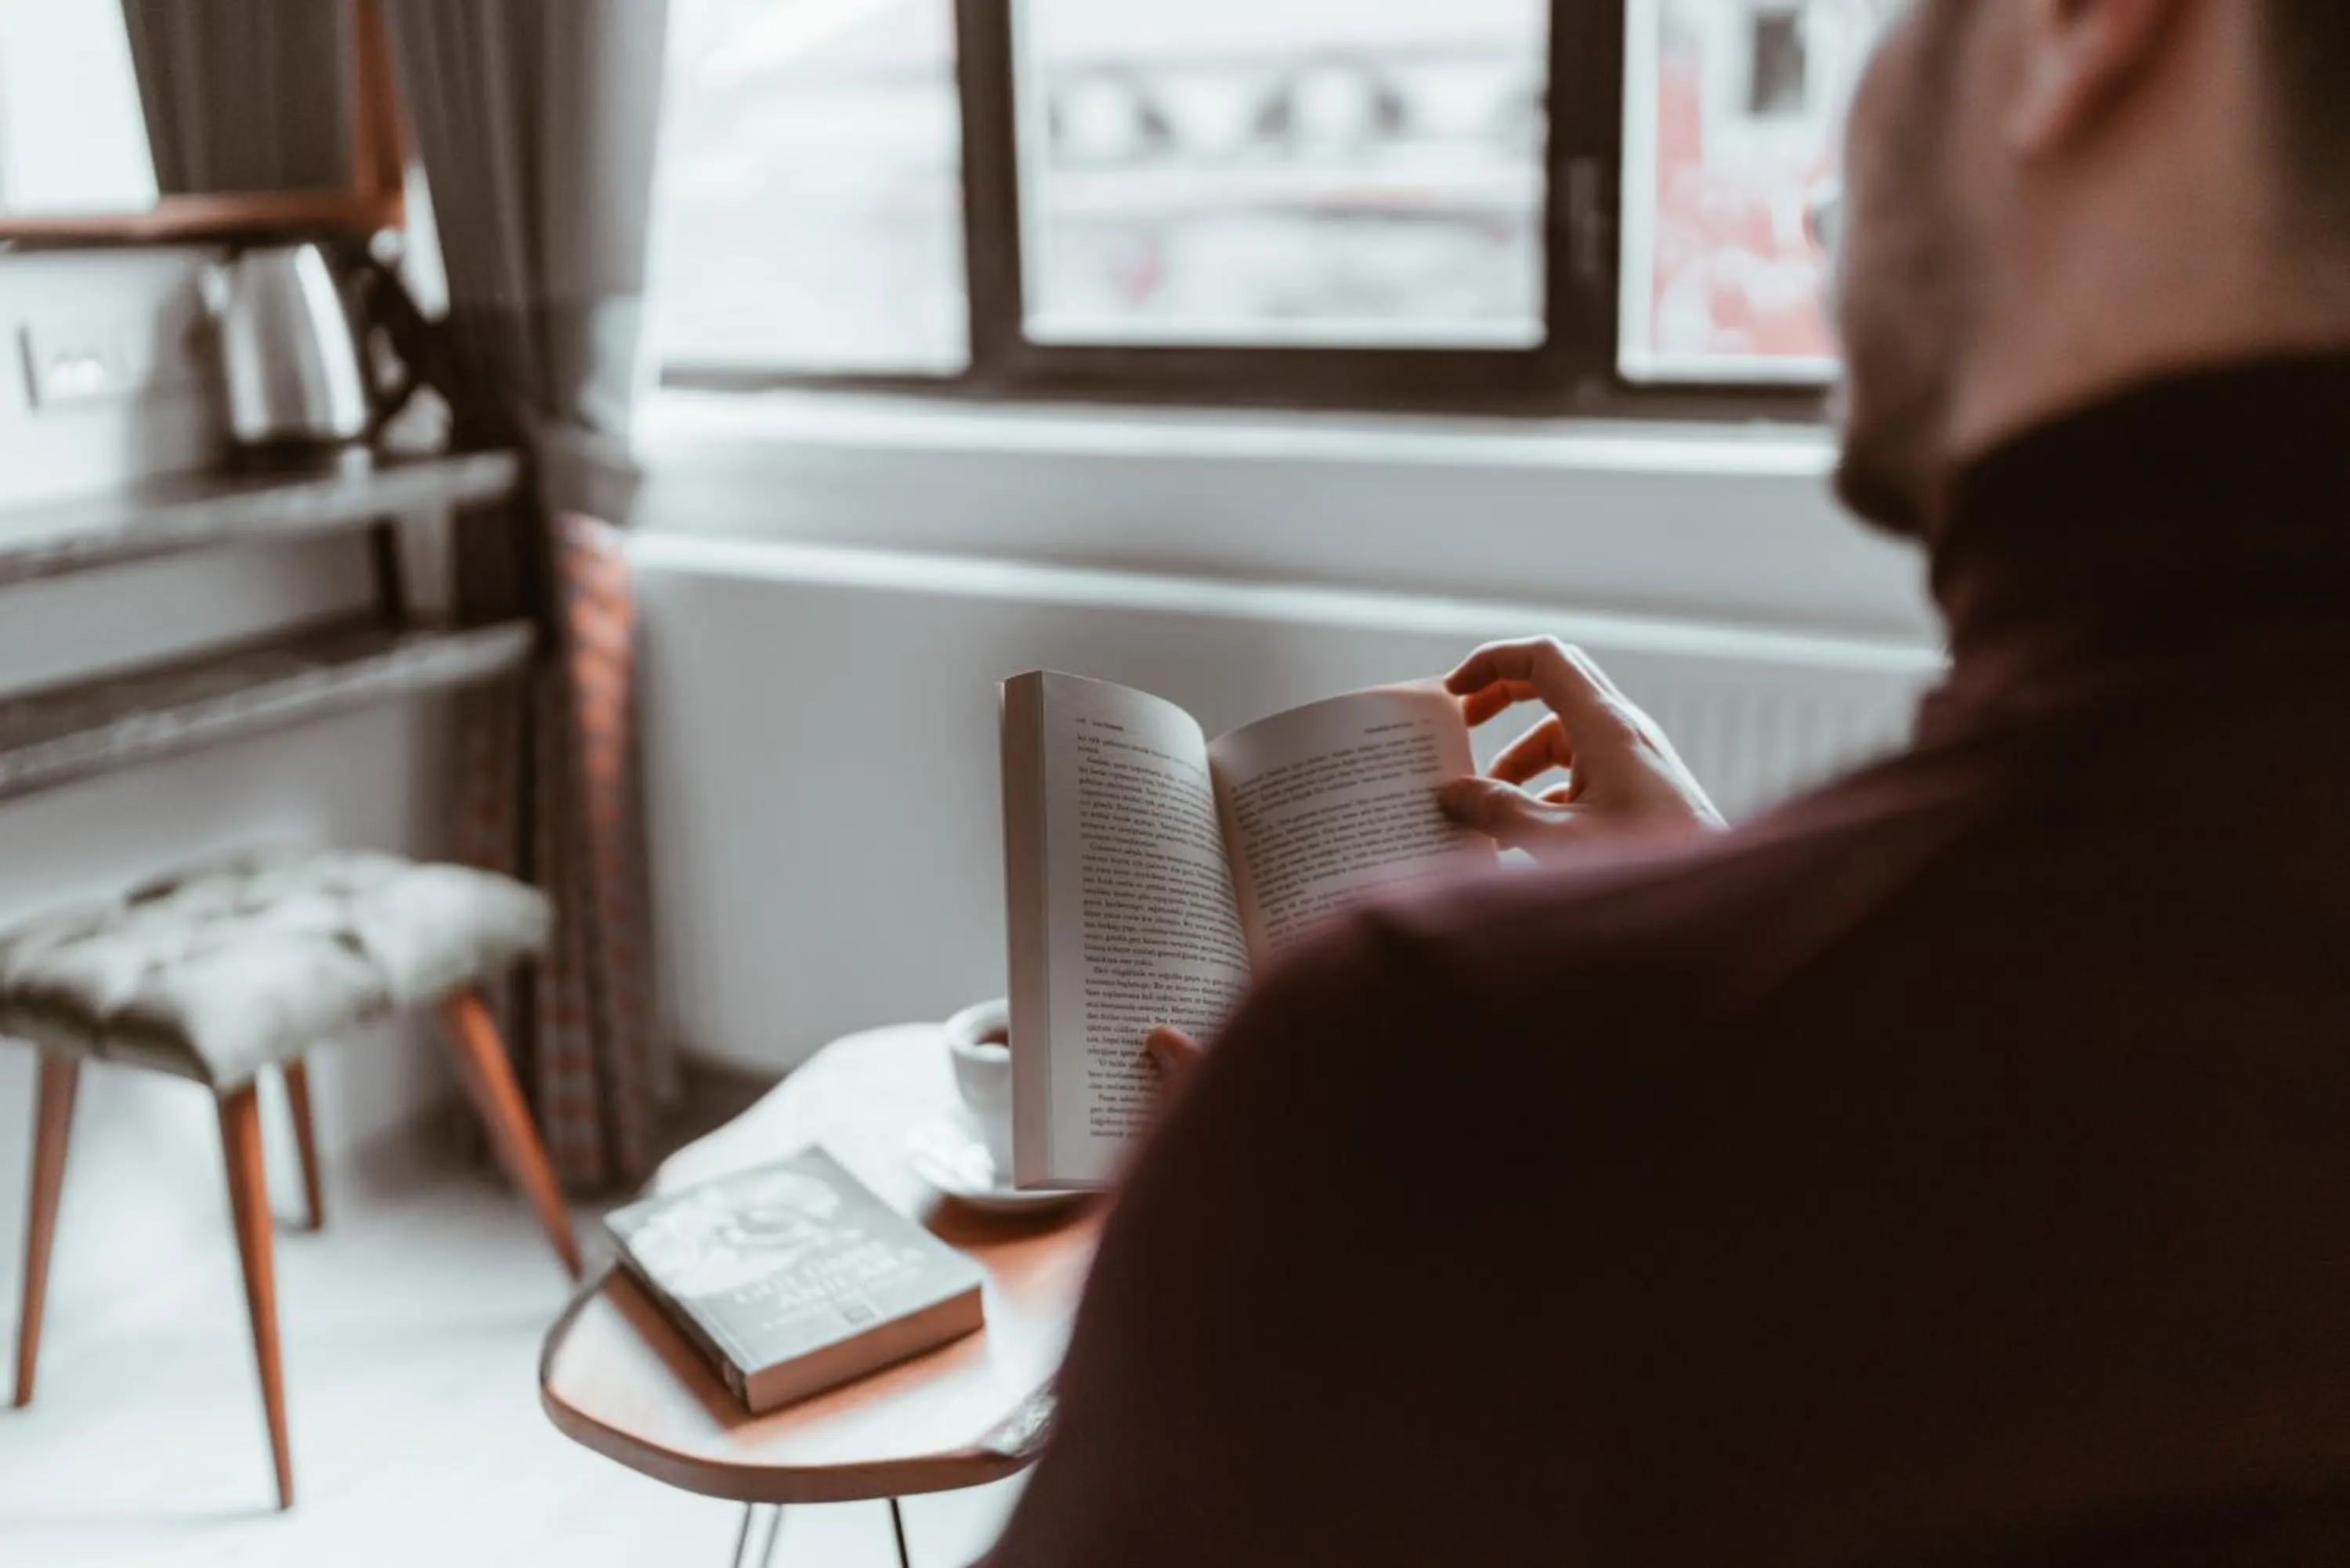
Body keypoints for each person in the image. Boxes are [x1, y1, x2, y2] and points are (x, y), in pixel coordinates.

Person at [984, 0, 2350, 1563]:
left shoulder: (1437, 1062)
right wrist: (1751, 932)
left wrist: (1240, 1241)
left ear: (2088, 30)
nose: (1832, 159)